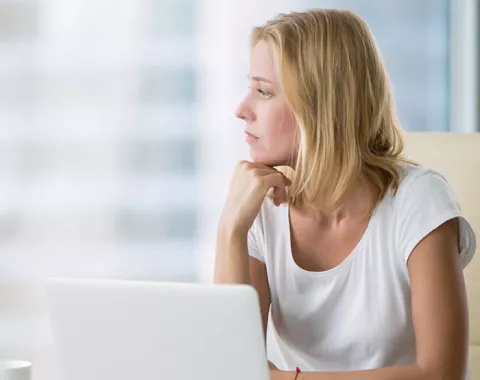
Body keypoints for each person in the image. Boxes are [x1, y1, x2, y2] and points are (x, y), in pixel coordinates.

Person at [214, 8, 476, 380]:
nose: (242, 109)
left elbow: (442, 374)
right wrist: (230, 230)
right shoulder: (258, 208)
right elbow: (226, 369)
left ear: (321, 106)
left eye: (263, 91)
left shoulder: (418, 201)